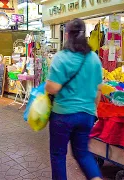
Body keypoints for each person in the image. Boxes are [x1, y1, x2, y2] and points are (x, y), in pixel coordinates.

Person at [45, 19, 103, 180]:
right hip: (86, 115)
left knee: (58, 155)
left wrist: (46, 86)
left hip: (63, 114)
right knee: (82, 153)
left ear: (68, 35)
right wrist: (93, 111)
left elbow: (53, 88)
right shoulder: (93, 58)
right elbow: (99, 89)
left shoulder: (61, 57)